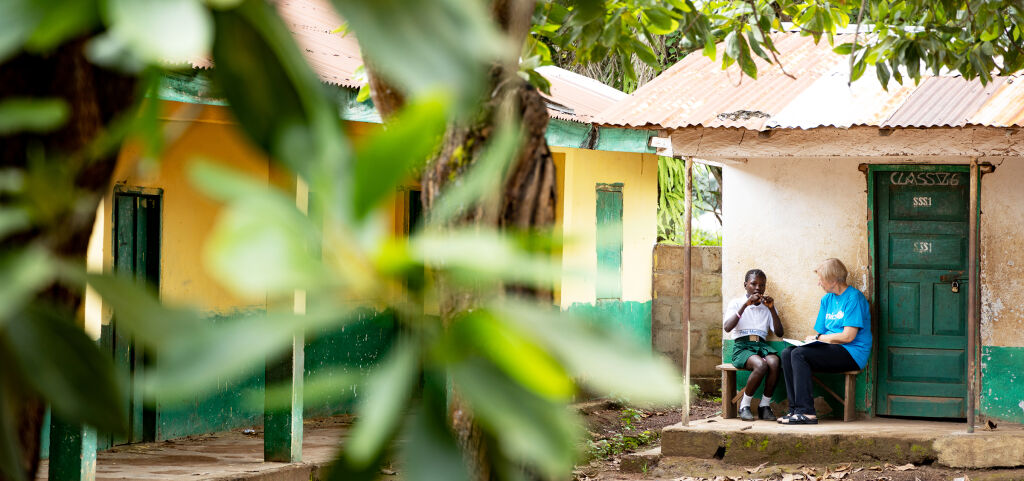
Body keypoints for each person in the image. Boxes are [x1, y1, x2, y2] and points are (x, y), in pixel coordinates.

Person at [778, 258, 872, 425]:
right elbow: (821, 333)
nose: (818, 283)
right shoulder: (827, 300)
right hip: (832, 348)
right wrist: (814, 340)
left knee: (799, 355)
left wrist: (819, 339)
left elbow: (848, 336)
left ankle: (807, 412)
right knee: (787, 353)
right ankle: (795, 410)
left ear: (833, 280)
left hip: (852, 352)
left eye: (821, 279)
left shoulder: (853, 298)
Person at [723, 269, 784, 421]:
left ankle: (764, 406)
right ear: (745, 285)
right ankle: (745, 405)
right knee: (761, 365)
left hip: (761, 345)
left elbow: (779, 332)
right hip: (742, 346)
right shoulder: (736, 303)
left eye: (762, 285)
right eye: (753, 284)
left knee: (775, 362)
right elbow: (727, 328)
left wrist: (771, 309)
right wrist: (745, 305)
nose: (758, 288)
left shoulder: (767, 305)